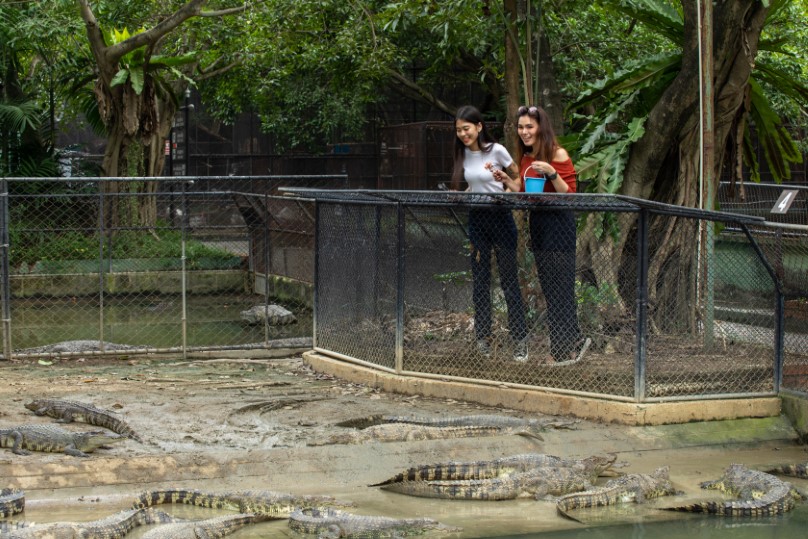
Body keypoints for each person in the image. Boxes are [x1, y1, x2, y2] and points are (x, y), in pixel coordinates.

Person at [498, 104, 591, 364]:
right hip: (538, 223)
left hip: (559, 223)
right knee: (550, 288)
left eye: (530, 126)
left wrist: (551, 173)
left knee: (562, 286)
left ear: (541, 127)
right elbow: (524, 189)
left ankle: (561, 351)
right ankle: (572, 343)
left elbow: (569, 194)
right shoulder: (526, 156)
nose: (525, 131)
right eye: (521, 127)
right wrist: (506, 181)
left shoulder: (557, 154)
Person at [451, 105, 528, 362]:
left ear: (479, 127)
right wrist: (460, 198)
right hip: (477, 220)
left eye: (467, 128)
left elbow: (517, 182)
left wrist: (503, 196)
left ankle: (520, 340)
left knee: (508, 280)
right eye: (459, 130)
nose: (463, 134)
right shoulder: (462, 154)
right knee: (480, 281)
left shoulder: (497, 150)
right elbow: (474, 185)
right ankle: (483, 338)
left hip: (500, 216)